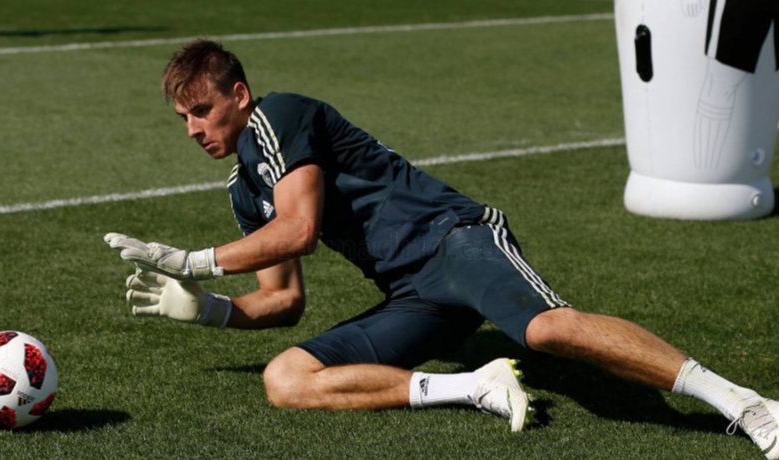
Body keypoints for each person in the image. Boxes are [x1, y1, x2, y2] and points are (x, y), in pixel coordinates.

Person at [104, 39, 778, 457]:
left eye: (201, 110)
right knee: (285, 379)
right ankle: (474, 386)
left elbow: (300, 230)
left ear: (239, 95)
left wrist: (194, 261)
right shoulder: (243, 189)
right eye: (183, 119)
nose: (193, 128)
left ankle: (745, 404)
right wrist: (210, 309)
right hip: (413, 292)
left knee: (546, 329)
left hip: (455, 240)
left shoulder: (277, 118)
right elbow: (282, 301)